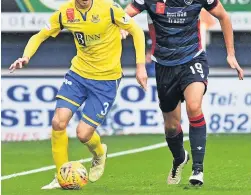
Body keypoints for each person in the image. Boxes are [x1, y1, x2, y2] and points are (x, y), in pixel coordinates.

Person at [9, 0, 147, 189]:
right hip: (78, 75)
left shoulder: (109, 8)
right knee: (58, 122)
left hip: (106, 80)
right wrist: (26, 56)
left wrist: (140, 67)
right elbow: (40, 36)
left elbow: (136, 31)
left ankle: (99, 153)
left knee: (83, 134)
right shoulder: (65, 13)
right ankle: (60, 175)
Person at [125, 0, 244, 185]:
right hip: (164, 66)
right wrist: (122, 28)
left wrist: (230, 53)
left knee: (194, 106)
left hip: (193, 59)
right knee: (171, 126)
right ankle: (180, 157)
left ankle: (198, 169)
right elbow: (124, 16)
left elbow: (223, 16)